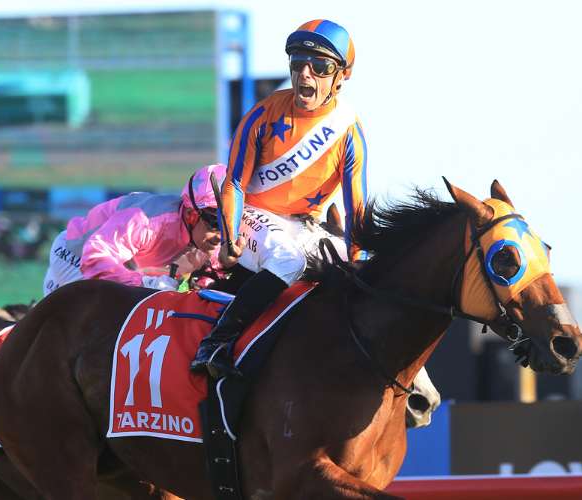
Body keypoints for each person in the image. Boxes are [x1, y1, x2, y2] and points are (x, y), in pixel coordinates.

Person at [191, 19, 368, 378]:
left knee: (364, 269)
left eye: (320, 67)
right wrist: (229, 239)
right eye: (298, 63)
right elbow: (234, 183)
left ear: (341, 76)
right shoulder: (264, 113)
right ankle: (216, 342)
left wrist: (359, 261)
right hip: (253, 213)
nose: (305, 74)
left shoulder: (349, 130)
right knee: (289, 260)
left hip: (303, 224)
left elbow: (356, 209)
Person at [42, 164, 225, 297]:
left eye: (232, 224)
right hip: (77, 257)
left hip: (127, 266)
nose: (222, 235)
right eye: (215, 223)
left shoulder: (209, 236)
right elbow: (94, 258)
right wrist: (144, 284)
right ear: (192, 214)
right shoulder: (145, 221)